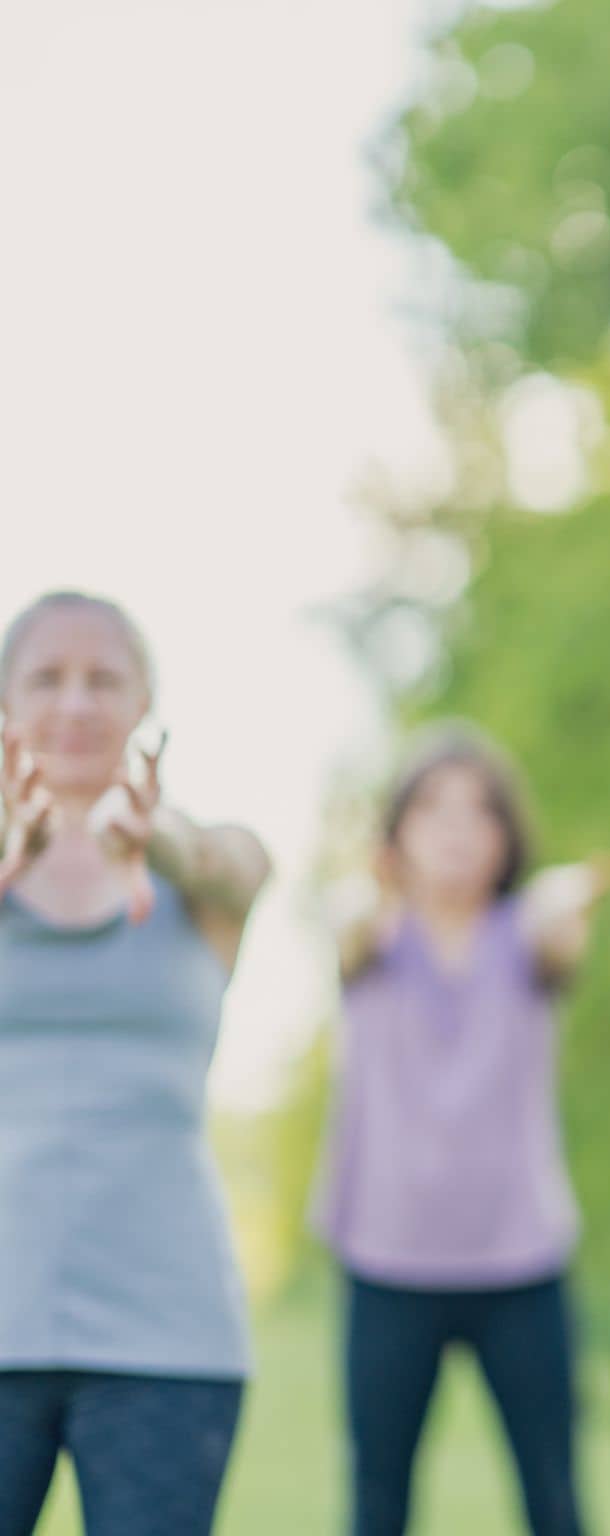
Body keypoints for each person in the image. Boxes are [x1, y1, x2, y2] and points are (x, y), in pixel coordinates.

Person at [0, 591, 271, 1536]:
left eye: (103, 679)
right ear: (7, 705)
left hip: (169, 1339)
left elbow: (229, 865)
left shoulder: (206, 866)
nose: (76, 703)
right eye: (47, 678)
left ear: (144, 705)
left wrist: (148, 837)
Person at [316, 727, 610, 1536]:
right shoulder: (370, 934)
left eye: (479, 811)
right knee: (376, 1504)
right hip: (386, 1259)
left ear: (506, 837)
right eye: (432, 809)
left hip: (519, 1261)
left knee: (555, 1501)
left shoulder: (530, 936)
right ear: (397, 834)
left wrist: (562, 902)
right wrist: (369, 894)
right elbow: (347, 921)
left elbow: (561, 934)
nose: (455, 829)